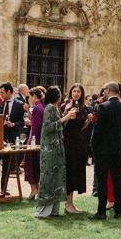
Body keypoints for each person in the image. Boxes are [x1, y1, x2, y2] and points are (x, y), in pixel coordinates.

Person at [91, 81, 121, 220]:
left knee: (102, 180)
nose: (103, 93)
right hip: (118, 147)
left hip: (103, 149)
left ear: (108, 91)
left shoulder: (103, 107)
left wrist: (93, 145)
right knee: (117, 178)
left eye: (104, 90)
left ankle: (101, 211)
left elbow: (98, 129)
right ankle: (118, 210)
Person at [36, 86, 77, 218]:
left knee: (57, 176)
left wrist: (67, 117)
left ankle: (54, 210)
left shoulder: (55, 108)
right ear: (56, 96)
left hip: (57, 147)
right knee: (49, 176)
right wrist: (66, 118)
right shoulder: (49, 108)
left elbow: (58, 126)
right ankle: (44, 210)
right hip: (50, 148)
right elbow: (48, 127)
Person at [62, 83, 88, 214]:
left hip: (79, 142)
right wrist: (67, 115)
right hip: (68, 142)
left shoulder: (84, 108)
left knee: (77, 171)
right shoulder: (65, 106)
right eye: (74, 91)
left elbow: (81, 127)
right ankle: (67, 203)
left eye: (78, 91)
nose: (76, 93)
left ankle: (71, 202)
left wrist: (88, 121)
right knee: (69, 171)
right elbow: (62, 124)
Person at [24, 86, 45, 198]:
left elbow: (36, 127)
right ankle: (36, 190)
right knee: (36, 166)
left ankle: (34, 190)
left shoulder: (37, 108)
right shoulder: (41, 107)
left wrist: (32, 142)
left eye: (29, 97)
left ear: (34, 96)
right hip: (38, 139)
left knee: (31, 165)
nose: (28, 99)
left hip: (35, 140)